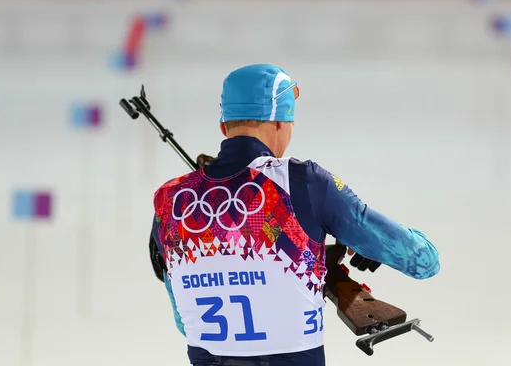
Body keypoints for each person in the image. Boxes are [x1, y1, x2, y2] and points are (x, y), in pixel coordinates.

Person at [149, 64, 440, 366]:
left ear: (224, 127)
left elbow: (187, 322)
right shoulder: (303, 181)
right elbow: (424, 262)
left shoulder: (169, 200)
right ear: (280, 122)